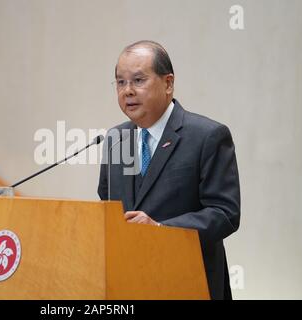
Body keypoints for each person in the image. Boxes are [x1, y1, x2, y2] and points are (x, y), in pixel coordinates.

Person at [98, 40, 240, 300]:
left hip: (188, 284)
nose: (127, 91)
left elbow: (225, 213)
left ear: (168, 83)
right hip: (128, 284)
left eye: (138, 80)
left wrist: (161, 229)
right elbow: (107, 206)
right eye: (120, 82)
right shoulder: (115, 139)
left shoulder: (207, 136)